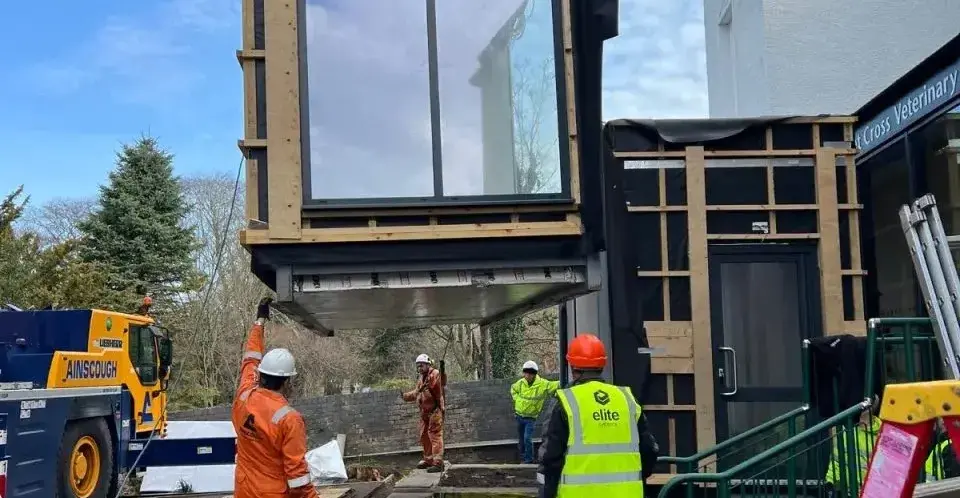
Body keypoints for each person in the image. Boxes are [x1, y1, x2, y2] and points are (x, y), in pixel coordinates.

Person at [537, 334, 659, 498]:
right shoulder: (627, 399)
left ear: (572, 366)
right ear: (602, 364)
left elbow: (550, 459)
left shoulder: (565, 402)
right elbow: (649, 450)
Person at [232, 297, 318, 498]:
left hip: (244, 491)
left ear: (260, 374)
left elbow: (251, 358)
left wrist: (259, 321)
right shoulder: (290, 419)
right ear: (287, 381)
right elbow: (297, 478)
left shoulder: (244, 394)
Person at [402, 353, 446, 472]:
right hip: (424, 414)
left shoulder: (435, 374)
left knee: (435, 435)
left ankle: (438, 463)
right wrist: (405, 396)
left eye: (421, 366)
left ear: (428, 364)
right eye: (418, 366)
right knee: (424, 436)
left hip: (434, 412)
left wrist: (442, 370)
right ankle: (429, 460)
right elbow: (417, 393)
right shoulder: (421, 378)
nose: (420, 368)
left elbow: (441, 383)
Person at [511, 360, 560, 463]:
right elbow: (513, 389)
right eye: (526, 373)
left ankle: (528, 460)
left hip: (531, 418)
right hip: (519, 416)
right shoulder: (520, 383)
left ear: (534, 374)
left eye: (530, 373)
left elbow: (555, 385)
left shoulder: (542, 384)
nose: (527, 375)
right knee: (521, 439)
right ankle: (522, 458)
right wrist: (517, 400)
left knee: (527, 439)